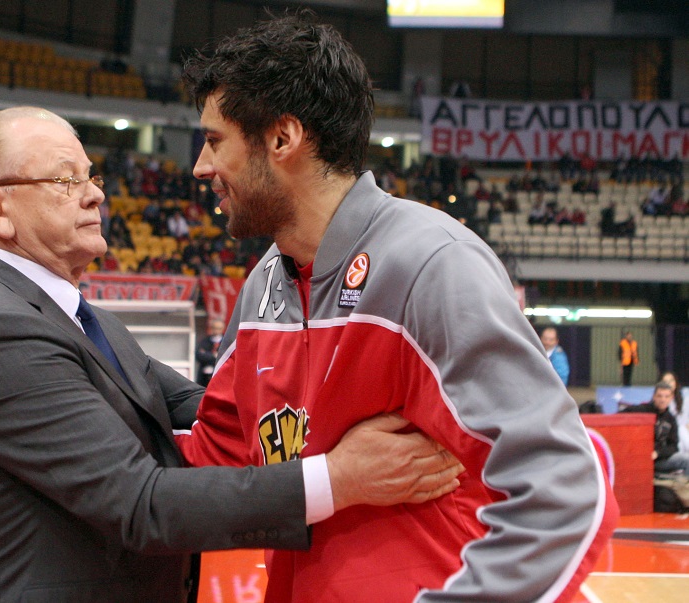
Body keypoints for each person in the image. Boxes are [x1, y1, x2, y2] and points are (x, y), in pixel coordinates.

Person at [0, 106, 463, 603]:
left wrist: (334, 415)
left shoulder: (79, 318)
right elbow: (142, 504)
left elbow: (210, 407)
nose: (94, 196)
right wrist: (339, 477)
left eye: (91, 177)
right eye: (66, 180)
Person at [179, 12, 617, 602]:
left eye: (214, 141)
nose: (201, 167)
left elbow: (564, 490)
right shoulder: (263, 286)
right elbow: (216, 462)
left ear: (282, 139)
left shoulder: (432, 264)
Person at [621, 382, 689, 475]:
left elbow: (673, 446)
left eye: (666, 396)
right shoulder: (642, 410)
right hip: (638, 457)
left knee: (687, 459)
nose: (663, 400)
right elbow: (618, 416)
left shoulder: (671, 419)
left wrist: (658, 453)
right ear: (654, 397)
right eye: (659, 396)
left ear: (671, 398)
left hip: (659, 459)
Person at [660, 371, 689, 454]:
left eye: (671, 381)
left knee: (681, 430)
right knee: (680, 429)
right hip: (670, 435)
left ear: (676, 383)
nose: (669, 384)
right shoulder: (660, 402)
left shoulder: (685, 400)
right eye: (666, 381)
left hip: (684, 434)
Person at [195, 318, 225, 386]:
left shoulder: (225, 342)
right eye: (214, 328)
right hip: (204, 377)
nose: (216, 330)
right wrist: (213, 356)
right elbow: (199, 355)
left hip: (219, 375)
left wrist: (208, 355)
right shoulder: (205, 341)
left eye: (219, 328)